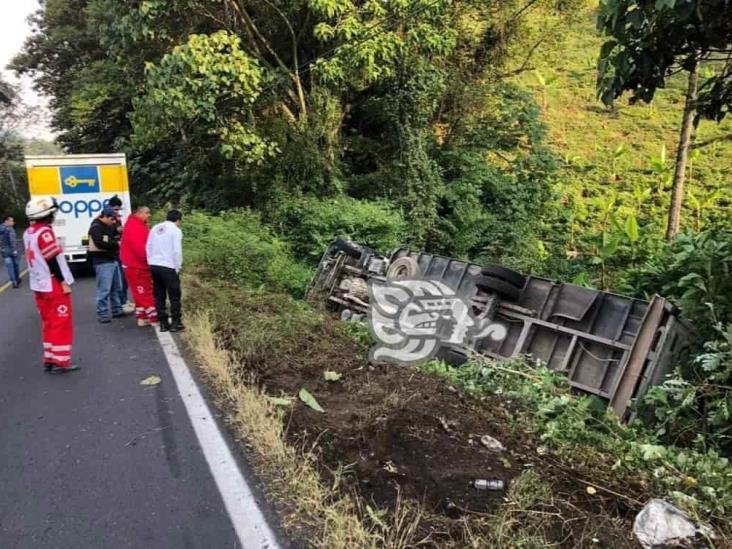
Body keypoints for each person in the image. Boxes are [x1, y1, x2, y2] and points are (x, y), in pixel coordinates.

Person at [23, 197, 78, 373]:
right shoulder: (45, 233)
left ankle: (49, 358)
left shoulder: (28, 232)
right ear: (47, 213)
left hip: (38, 284)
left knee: (48, 322)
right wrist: (63, 282)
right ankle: (61, 361)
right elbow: (51, 258)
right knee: (61, 323)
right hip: (52, 283)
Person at [120, 206, 158, 327]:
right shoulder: (134, 227)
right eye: (147, 213)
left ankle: (142, 317)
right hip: (136, 265)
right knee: (144, 292)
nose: (149, 215)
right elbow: (140, 248)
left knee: (139, 292)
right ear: (139, 213)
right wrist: (150, 259)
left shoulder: (136, 224)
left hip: (135, 264)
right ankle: (153, 317)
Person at [146, 210, 184, 332]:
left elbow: (148, 246)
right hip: (168, 266)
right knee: (174, 296)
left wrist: (150, 261)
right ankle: (175, 323)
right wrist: (177, 267)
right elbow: (177, 251)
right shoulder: (176, 230)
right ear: (178, 220)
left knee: (159, 295)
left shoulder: (155, 228)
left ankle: (163, 323)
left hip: (154, 265)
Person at [89, 207, 125, 323]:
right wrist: (116, 244)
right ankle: (102, 313)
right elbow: (100, 242)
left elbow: (112, 235)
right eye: (112, 219)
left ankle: (117, 309)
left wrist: (118, 231)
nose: (114, 222)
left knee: (116, 287)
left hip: (112, 259)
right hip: (102, 261)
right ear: (105, 217)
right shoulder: (96, 227)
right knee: (104, 289)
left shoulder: (106, 226)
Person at [108, 195, 133, 312]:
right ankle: (121, 303)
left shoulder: (117, 218)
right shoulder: (109, 219)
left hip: (122, 251)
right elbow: (111, 233)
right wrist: (119, 230)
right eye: (116, 209)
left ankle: (124, 300)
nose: (117, 211)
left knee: (124, 278)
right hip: (114, 252)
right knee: (119, 280)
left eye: (118, 209)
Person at [1, 215, 21, 288]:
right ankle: (17, 279)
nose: (13, 222)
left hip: (4, 251)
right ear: (6, 221)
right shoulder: (10, 229)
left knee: (9, 267)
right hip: (12, 250)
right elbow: (12, 241)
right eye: (11, 221)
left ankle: (14, 282)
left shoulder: (0, 228)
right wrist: (15, 250)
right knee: (16, 265)